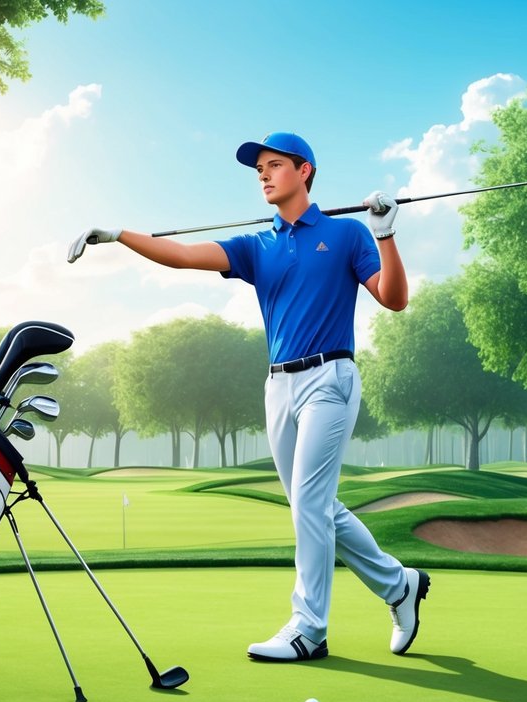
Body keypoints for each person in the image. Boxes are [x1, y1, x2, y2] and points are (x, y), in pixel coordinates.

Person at [68, 132, 428, 662]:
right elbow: (184, 255)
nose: (262, 174)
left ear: (304, 171)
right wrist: (121, 234)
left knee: (309, 502)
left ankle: (310, 628)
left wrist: (386, 235)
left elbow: (394, 300)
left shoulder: (348, 234)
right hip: (278, 385)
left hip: (330, 378)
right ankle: (399, 585)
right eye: (258, 168)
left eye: (273, 165)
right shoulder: (257, 247)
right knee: (315, 504)